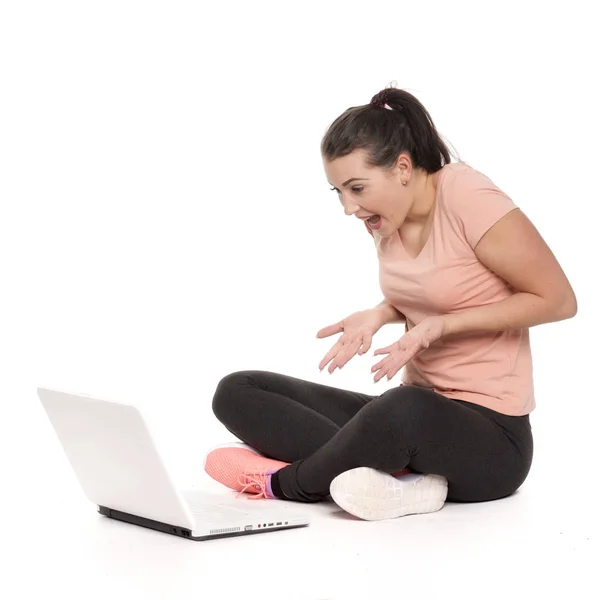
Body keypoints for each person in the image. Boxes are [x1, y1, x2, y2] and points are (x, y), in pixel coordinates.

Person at [203, 86, 578, 521]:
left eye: (356, 187)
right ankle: (391, 478)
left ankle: (290, 484)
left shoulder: (465, 194)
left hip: (492, 440)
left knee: (400, 411)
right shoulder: (386, 218)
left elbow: (558, 299)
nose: (348, 207)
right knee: (239, 389)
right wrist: (381, 313)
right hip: (412, 415)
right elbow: (442, 284)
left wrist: (442, 326)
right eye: (338, 192)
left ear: (402, 167)